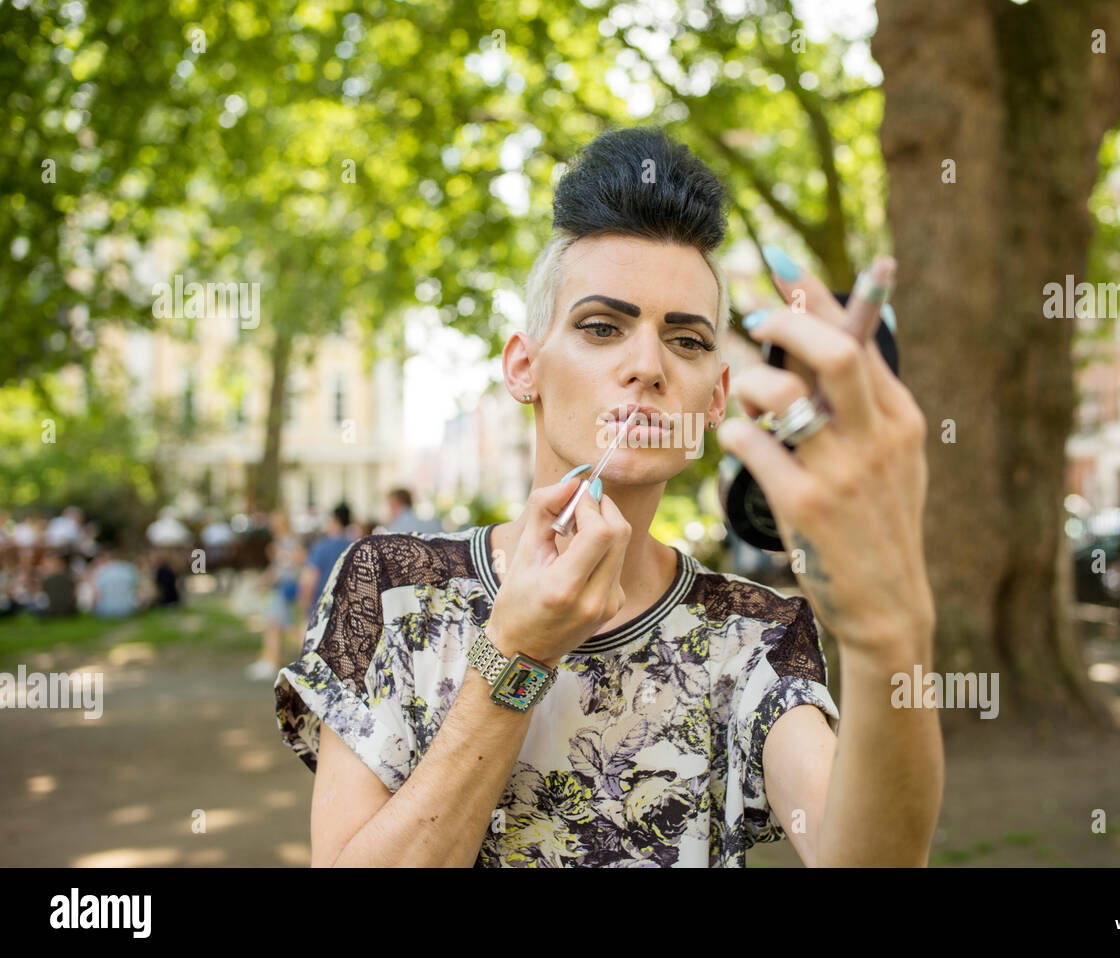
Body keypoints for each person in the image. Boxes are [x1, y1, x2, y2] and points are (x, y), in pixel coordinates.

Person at [276, 126, 940, 867]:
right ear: (524, 368)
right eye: (602, 327)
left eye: (686, 341)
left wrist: (890, 635)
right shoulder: (393, 586)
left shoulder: (754, 633)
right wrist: (517, 653)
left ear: (717, 398)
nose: (647, 365)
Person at [248, 511, 305, 681]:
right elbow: (276, 569)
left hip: (287, 587)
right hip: (280, 587)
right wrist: (262, 582)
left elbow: (300, 559)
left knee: (277, 625)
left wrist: (280, 555)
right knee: (275, 624)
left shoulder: (289, 541)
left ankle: (271, 661)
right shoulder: (279, 542)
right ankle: (271, 659)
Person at [300, 503, 354, 619]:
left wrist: (305, 606)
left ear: (335, 520)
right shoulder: (354, 546)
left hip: (321, 608)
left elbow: (310, 580)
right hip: (346, 609)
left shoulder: (321, 547)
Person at [90, 546, 140, 619]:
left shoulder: (102, 571)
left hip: (106, 611)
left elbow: (96, 595)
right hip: (127, 609)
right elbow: (137, 589)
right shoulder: (129, 569)